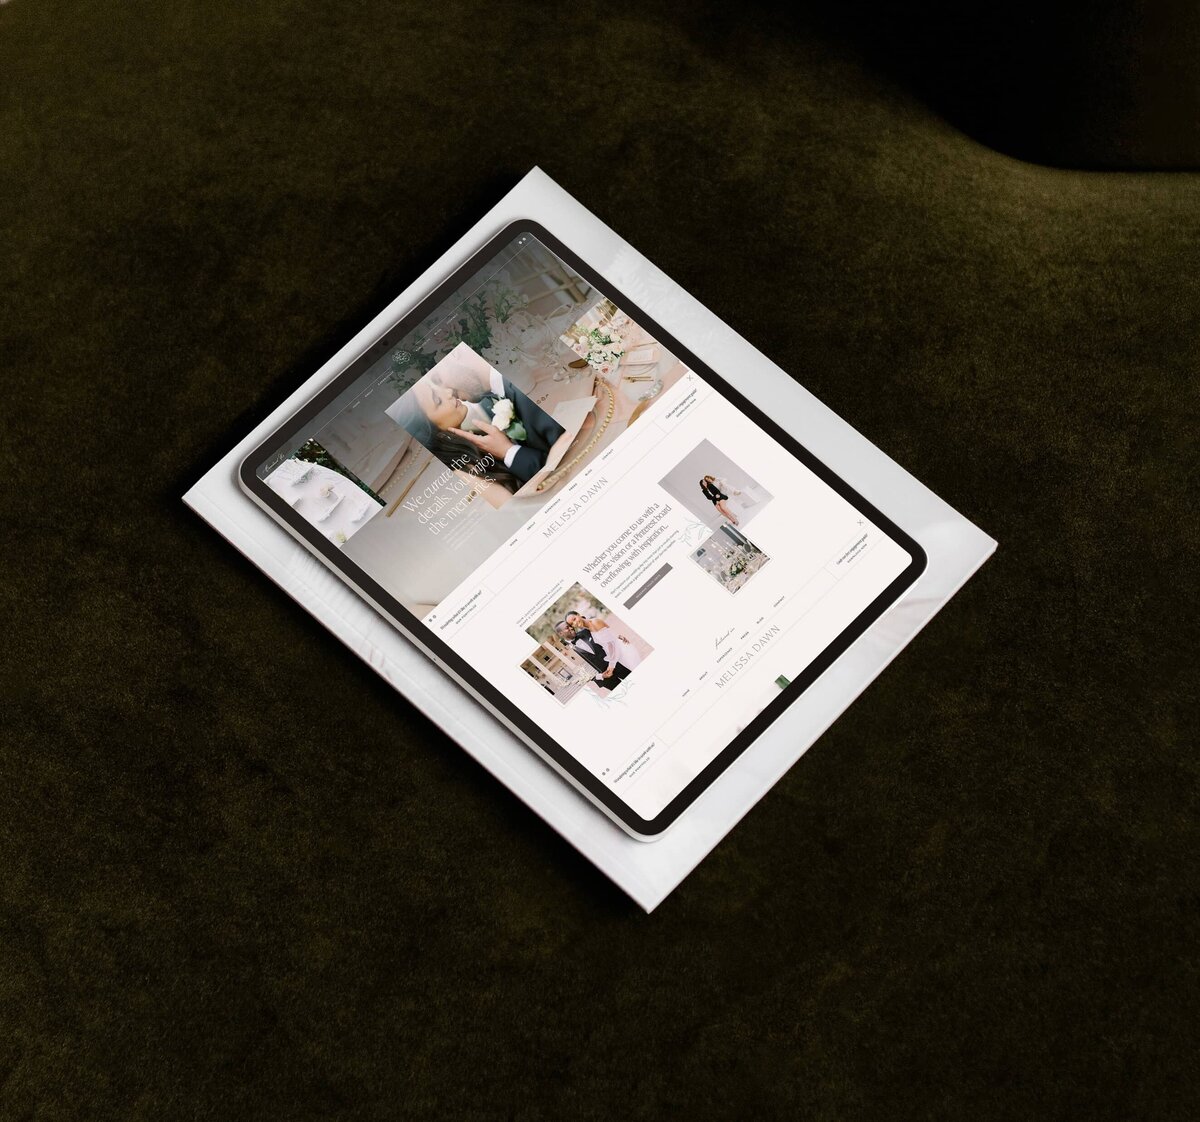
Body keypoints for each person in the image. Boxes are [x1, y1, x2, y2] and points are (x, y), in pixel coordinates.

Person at [388, 359, 565, 491]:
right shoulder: (465, 471)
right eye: (437, 400)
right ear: (435, 432)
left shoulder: (486, 410)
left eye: (437, 383)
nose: (448, 391)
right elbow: (547, 481)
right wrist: (507, 452)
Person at [554, 618, 633, 690]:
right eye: (567, 628)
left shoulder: (586, 631)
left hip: (618, 665)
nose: (571, 628)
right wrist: (601, 676)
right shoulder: (567, 653)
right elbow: (582, 674)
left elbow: (605, 636)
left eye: (570, 626)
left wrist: (618, 636)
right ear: (561, 633)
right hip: (605, 678)